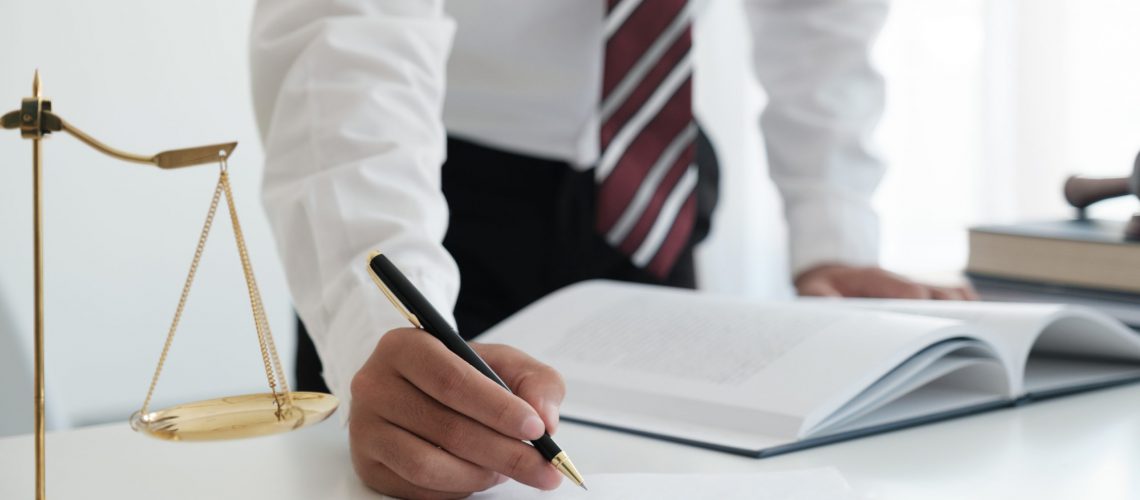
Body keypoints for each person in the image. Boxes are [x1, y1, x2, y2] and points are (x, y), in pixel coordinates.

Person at [250, 1, 974, 497]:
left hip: (654, 193)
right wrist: (376, 322)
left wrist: (833, 231)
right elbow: (350, 33)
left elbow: (818, 20)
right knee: (415, 454)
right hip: (421, 193)